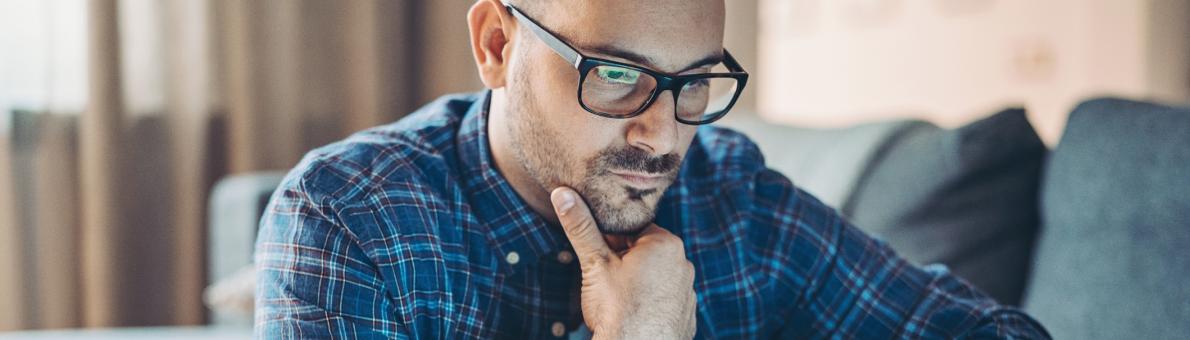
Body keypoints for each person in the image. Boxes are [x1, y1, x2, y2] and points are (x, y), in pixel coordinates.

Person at [254, 0, 1051, 338]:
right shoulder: (350, 217)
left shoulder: (736, 201)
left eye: (694, 82)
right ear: (498, 45)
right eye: (613, 73)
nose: (661, 134)